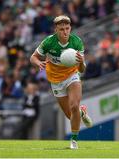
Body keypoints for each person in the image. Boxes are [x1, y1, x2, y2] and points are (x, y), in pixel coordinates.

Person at [30, 15, 92, 149]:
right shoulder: (48, 42)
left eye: (67, 28)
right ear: (56, 30)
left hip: (72, 76)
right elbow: (33, 57)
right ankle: (82, 112)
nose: (65, 32)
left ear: (70, 28)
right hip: (56, 81)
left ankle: (74, 141)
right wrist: (38, 62)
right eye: (62, 29)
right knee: (71, 115)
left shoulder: (76, 42)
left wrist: (81, 61)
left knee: (74, 105)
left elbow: (81, 69)